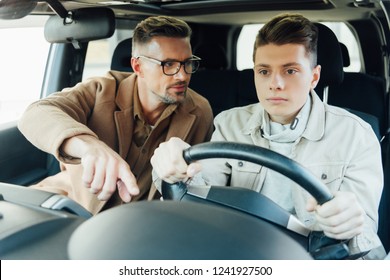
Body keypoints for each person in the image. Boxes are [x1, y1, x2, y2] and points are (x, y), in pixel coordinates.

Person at [151, 13, 386, 259]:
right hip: (245, 254)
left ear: (314, 77)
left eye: (290, 71)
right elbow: (200, 190)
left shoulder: (355, 134)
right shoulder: (230, 123)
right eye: (264, 71)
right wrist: (173, 166)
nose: (275, 84)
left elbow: (365, 229)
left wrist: (349, 221)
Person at [18, 15, 213, 215]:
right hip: (76, 211)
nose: (183, 75)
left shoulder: (200, 111)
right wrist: (90, 148)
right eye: (169, 64)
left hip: (144, 224)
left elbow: (195, 187)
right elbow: (35, 114)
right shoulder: (101, 90)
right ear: (138, 67)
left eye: (187, 63)